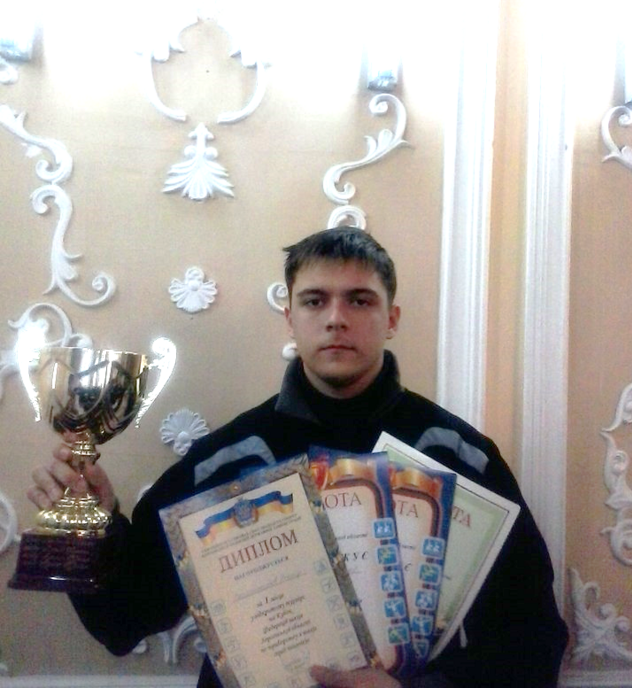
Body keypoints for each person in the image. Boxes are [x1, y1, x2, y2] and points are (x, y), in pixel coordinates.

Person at [28, 227, 568, 687]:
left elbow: (536, 638)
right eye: (314, 301)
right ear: (290, 317)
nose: (336, 318)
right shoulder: (223, 462)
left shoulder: (458, 456)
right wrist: (90, 530)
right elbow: (123, 622)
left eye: (360, 300)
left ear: (392, 318)